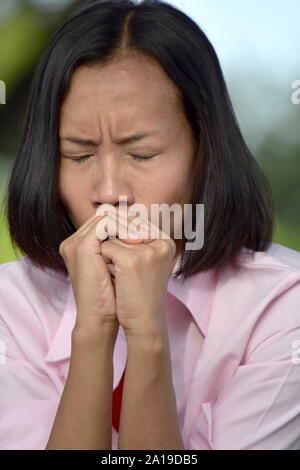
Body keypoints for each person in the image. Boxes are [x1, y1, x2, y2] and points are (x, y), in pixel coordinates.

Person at [1, 0, 300, 450]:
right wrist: (93, 330)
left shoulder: (280, 307)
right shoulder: (12, 305)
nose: (108, 191)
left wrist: (147, 339)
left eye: (140, 154)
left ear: (204, 150)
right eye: (79, 155)